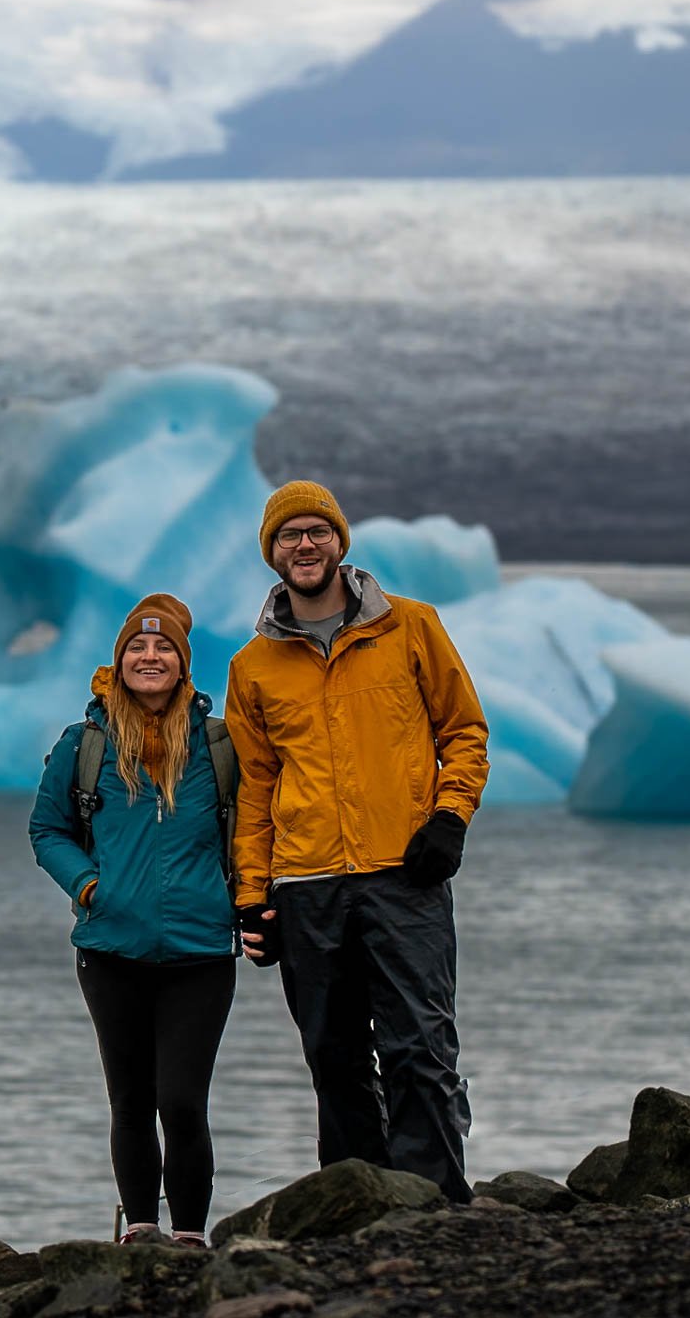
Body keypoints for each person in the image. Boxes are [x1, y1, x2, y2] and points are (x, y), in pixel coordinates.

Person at [225, 481, 489, 1204]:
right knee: (333, 1058)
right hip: (306, 883)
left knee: (420, 1049)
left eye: (316, 531)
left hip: (402, 872)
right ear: (271, 552)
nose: (302, 546)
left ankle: (431, 1203)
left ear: (340, 542)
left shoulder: (410, 627)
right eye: (288, 536)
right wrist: (251, 898)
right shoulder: (253, 667)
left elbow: (463, 732)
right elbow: (255, 788)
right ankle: (356, 1207)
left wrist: (449, 819)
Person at [28, 593, 237, 1248]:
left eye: (163, 648)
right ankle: (142, 1229)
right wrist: (89, 885)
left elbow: (258, 826)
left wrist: (250, 901)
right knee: (129, 1101)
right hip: (110, 948)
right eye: (137, 649)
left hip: (200, 952)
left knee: (181, 1101)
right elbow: (48, 829)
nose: (150, 657)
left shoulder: (218, 745)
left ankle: (191, 1235)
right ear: (119, 664)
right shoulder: (84, 744)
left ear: (184, 665)